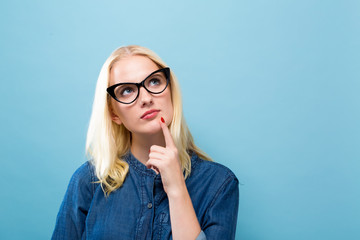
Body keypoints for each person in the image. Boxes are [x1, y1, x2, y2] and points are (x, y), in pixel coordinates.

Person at [52, 45, 239, 240]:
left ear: (171, 90)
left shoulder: (219, 183)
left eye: (155, 81)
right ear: (113, 113)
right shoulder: (89, 181)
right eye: (126, 91)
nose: (146, 98)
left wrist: (176, 189)